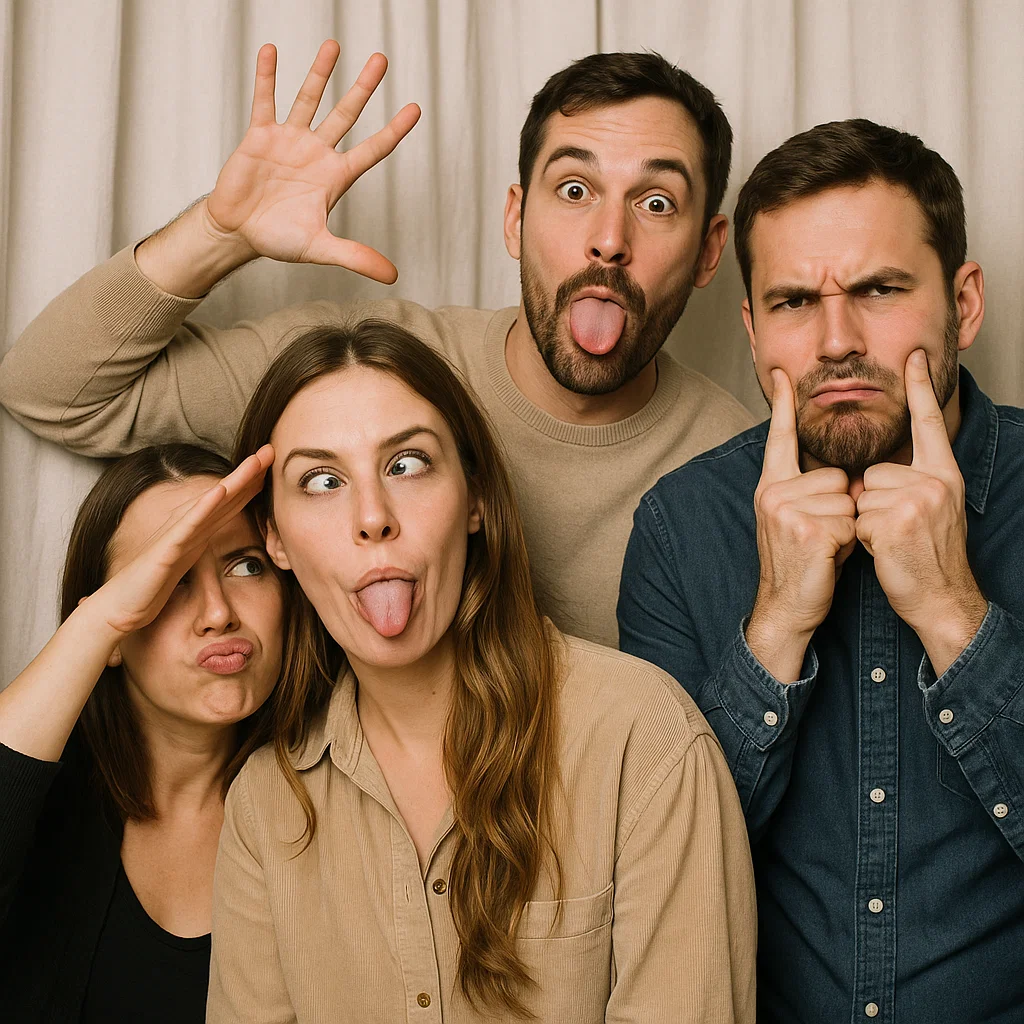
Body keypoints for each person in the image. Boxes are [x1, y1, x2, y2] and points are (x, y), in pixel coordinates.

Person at [0, 41, 755, 648]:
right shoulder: (365, 378)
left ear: (709, 250)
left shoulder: (743, 472)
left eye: (656, 203)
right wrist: (218, 236)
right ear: (515, 219)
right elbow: (50, 389)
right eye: (574, 190)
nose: (608, 242)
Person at [205, 319, 756, 1023]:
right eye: (320, 480)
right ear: (275, 537)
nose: (372, 517)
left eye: (406, 464)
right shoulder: (264, 805)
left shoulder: (642, 741)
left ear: (476, 500)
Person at [617, 118, 1024, 1023]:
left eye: (879, 290)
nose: (836, 340)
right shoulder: (682, 527)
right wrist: (772, 633)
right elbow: (643, 882)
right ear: (754, 325)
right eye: (797, 302)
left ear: (963, 303)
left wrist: (958, 616)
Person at [0, 444, 284, 1023]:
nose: (217, 612)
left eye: (247, 564)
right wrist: (97, 627)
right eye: (171, 578)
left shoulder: (334, 793)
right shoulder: (46, 799)